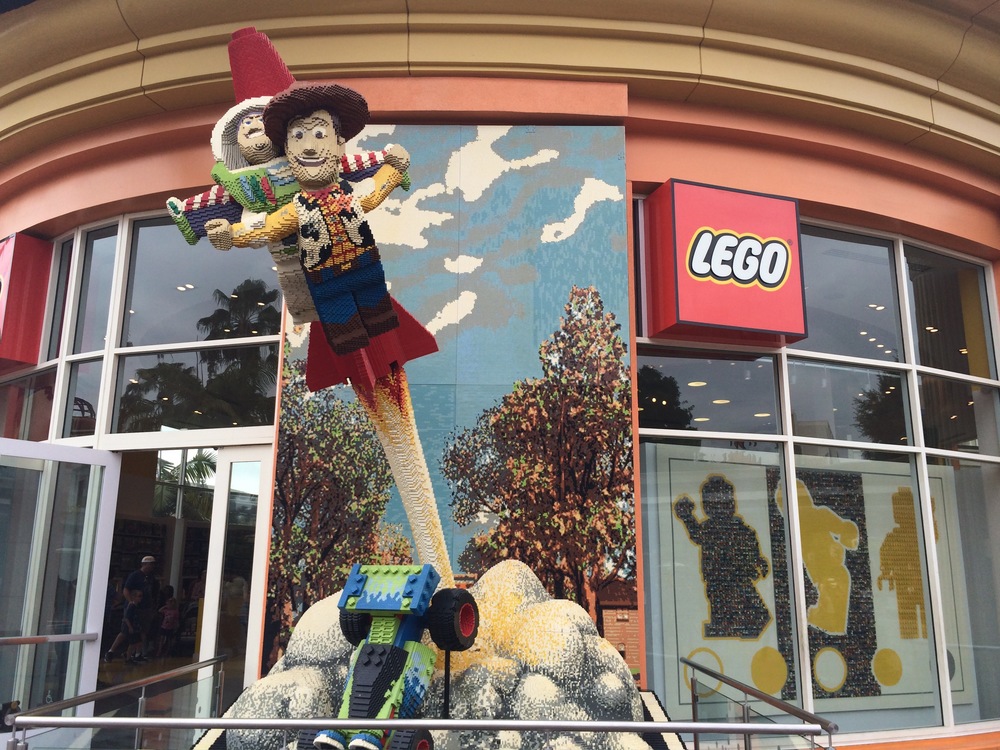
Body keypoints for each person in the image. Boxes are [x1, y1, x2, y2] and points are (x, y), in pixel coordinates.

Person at [205, 81, 434, 391]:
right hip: (328, 287)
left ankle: (380, 364)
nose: (309, 147)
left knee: (380, 322)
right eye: (298, 137)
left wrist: (394, 169)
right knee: (345, 335)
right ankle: (361, 374)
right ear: (287, 151)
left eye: (319, 134)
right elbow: (267, 227)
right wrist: (231, 234)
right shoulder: (297, 208)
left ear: (339, 144)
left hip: (367, 276)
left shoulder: (349, 194)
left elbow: (374, 192)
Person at [122, 555, 159, 656]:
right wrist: (131, 602)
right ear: (144, 564)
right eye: (150, 564)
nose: (152, 567)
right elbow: (126, 589)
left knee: (143, 630)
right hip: (136, 608)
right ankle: (132, 653)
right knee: (130, 631)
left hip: (146, 607)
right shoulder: (135, 575)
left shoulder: (151, 578)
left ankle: (138, 652)